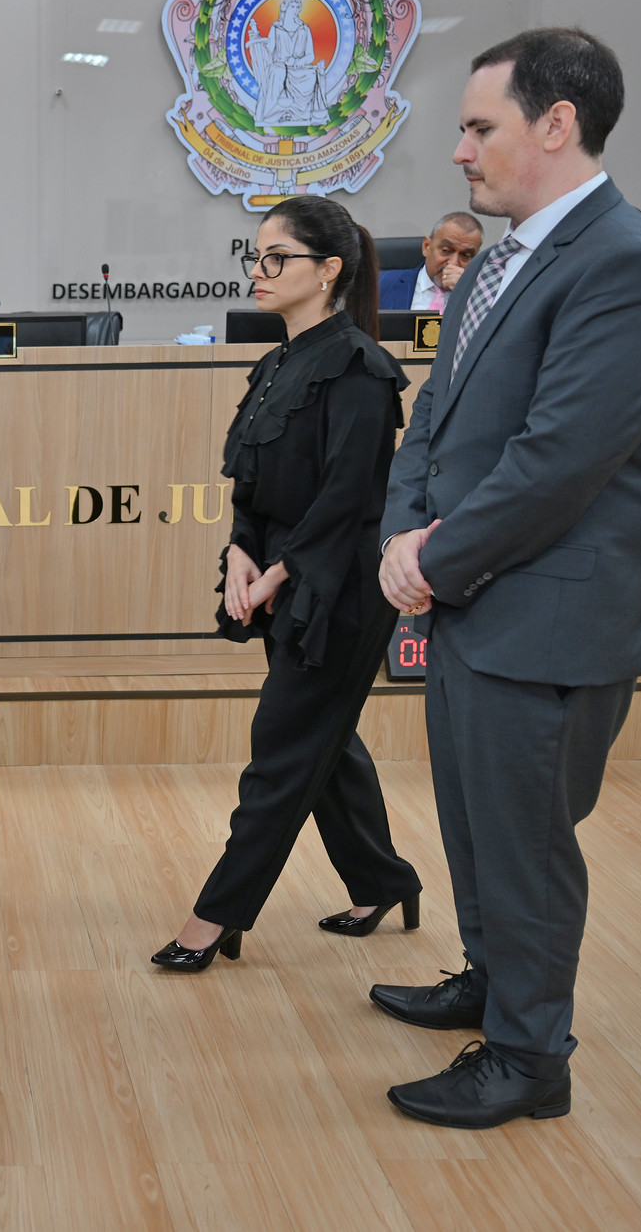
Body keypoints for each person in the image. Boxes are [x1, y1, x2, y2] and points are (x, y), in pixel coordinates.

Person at [374, 27, 641, 1128]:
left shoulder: (627, 266)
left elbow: (557, 462)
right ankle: (488, 979)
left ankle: (525, 1058)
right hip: (472, 603)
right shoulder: (506, 256)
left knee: (526, 845)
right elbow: (435, 424)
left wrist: (428, 559)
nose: (459, 151)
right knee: (473, 822)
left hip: (548, 617)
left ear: (554, 124)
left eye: (479, 127)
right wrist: (398, 535)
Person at [151, 195, 423, 973]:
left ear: (329, 270)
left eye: (279, 259)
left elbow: (350, 502)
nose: (259, 272)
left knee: (282, 745)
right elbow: (253, 481)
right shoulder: (275, 363)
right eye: (256, 256)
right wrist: (241, 553)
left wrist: (278, 569)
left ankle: (216, 917)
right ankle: (383, 879)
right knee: (322, 743)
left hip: (337, 590)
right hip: (284, 581)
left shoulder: (363, 370)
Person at [381, 211, 484, 311]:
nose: (453, 263)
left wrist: (466, 292)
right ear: (426, 247)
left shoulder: (483, 296)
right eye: (446, 251)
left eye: (465, 256)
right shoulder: (381, 284)